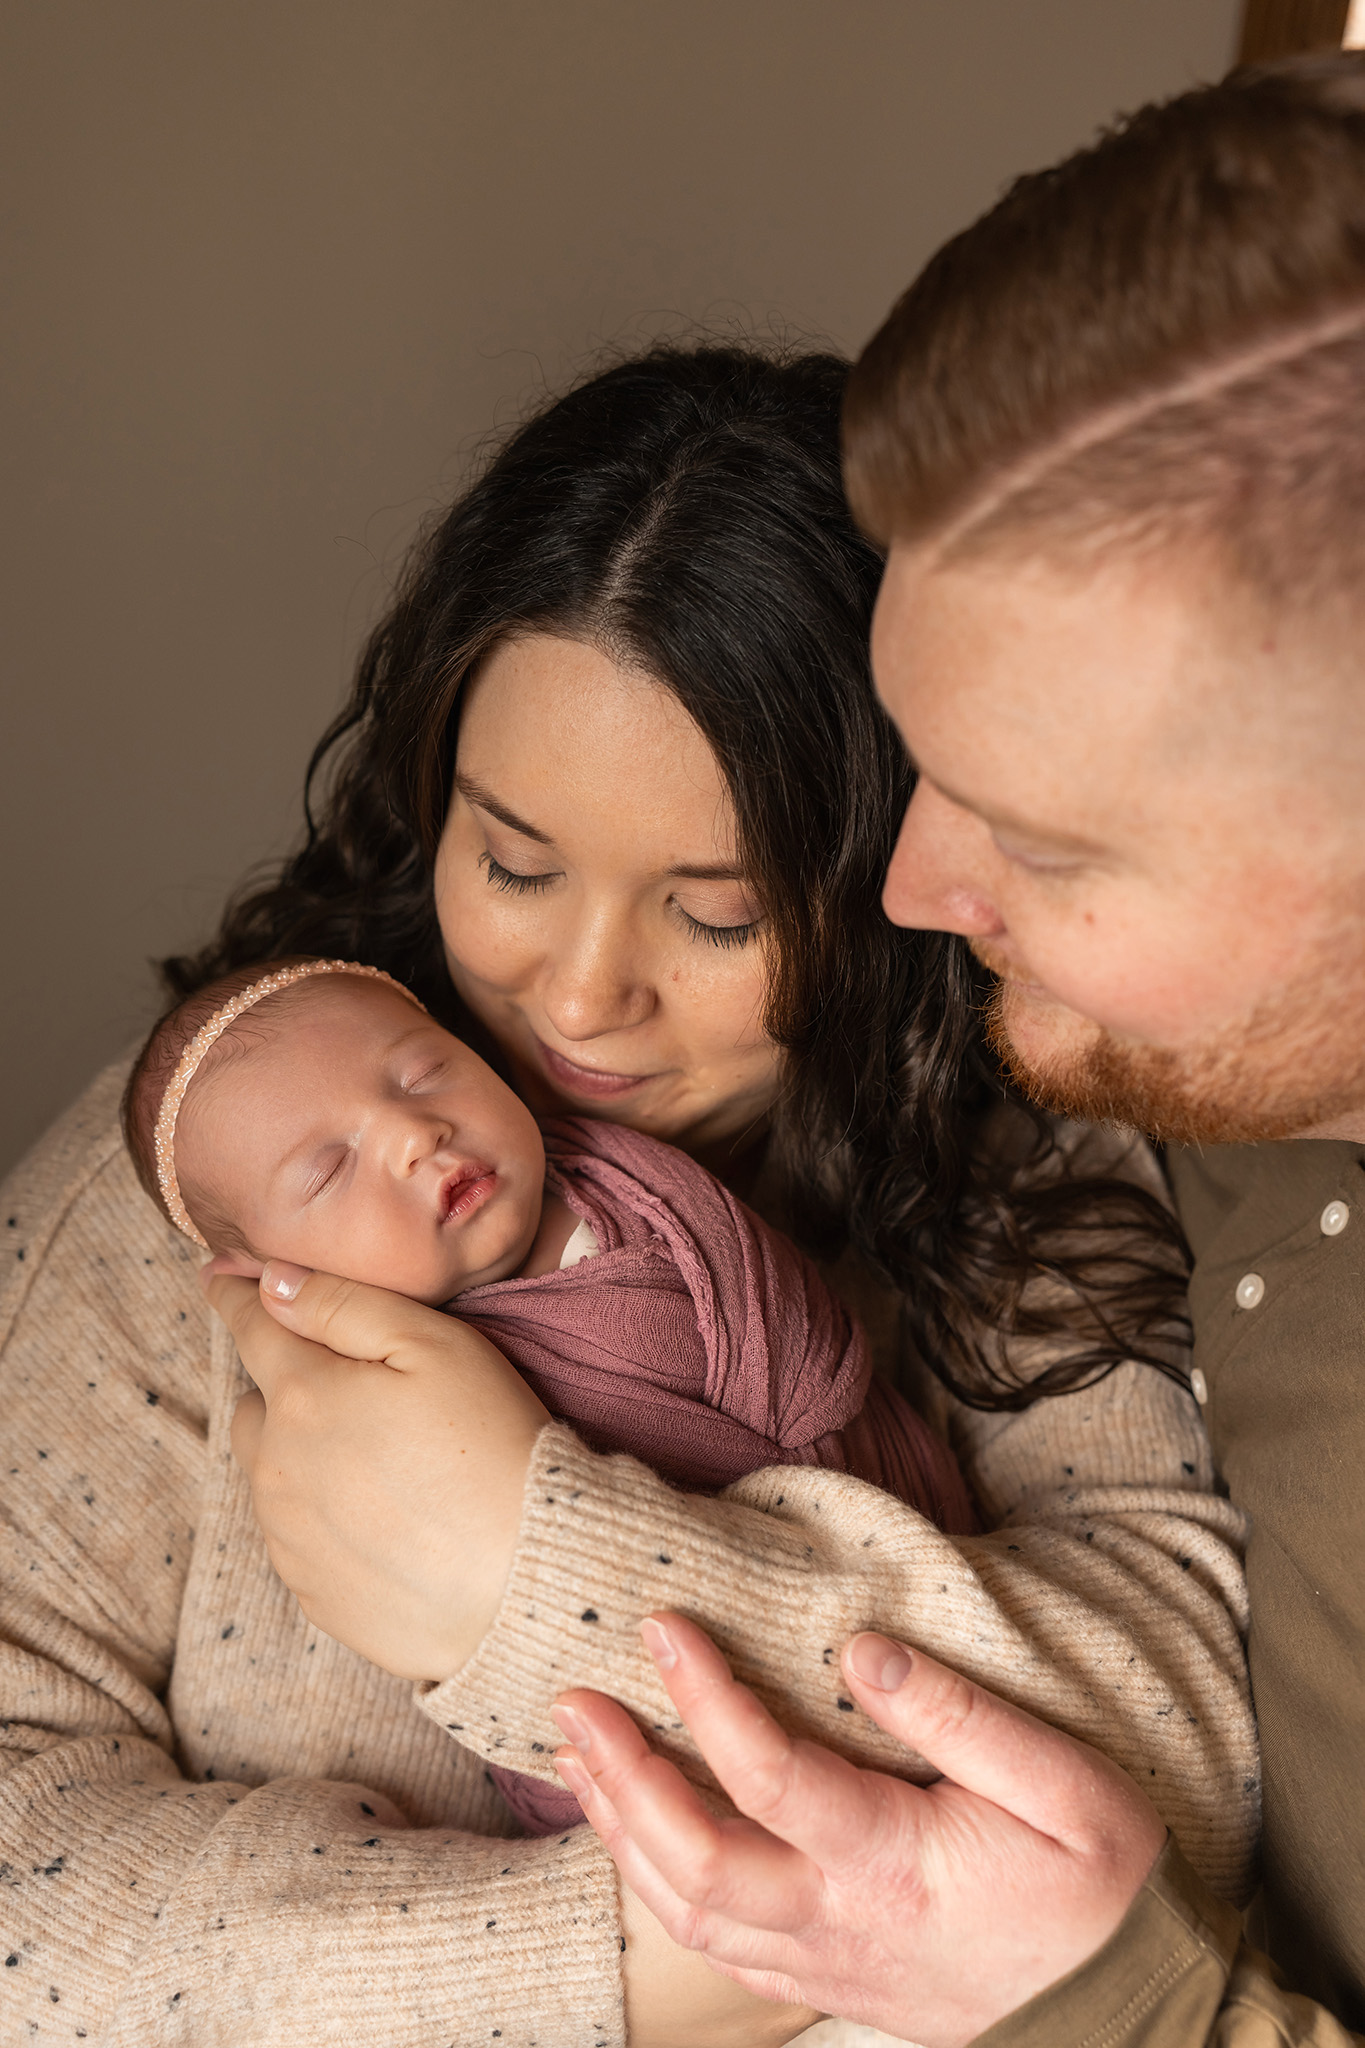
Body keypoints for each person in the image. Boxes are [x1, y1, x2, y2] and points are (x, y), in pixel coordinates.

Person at [0, 347, 1252, 2047]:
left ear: (888, 881)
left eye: (715, 914)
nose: (580, 995)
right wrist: (638, 1969)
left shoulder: (1017, 1150)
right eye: (513, 863)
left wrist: (534, 1568)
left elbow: (1181, 1727)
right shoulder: (215, 1158)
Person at [543, 55, 1365, 2048]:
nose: (910, 884)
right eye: (928, 773)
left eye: (1045, 835)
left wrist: (1112, 2004)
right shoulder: (1175, 1074)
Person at [122, 951, 973, 1832]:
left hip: (895, 1534)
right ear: (266, 1271)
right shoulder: (366, 1402)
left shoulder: (612, 1167)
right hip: (653, 1715)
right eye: (330, 1170)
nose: (416, 1133)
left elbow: (790, 1321)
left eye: (425, 1072)